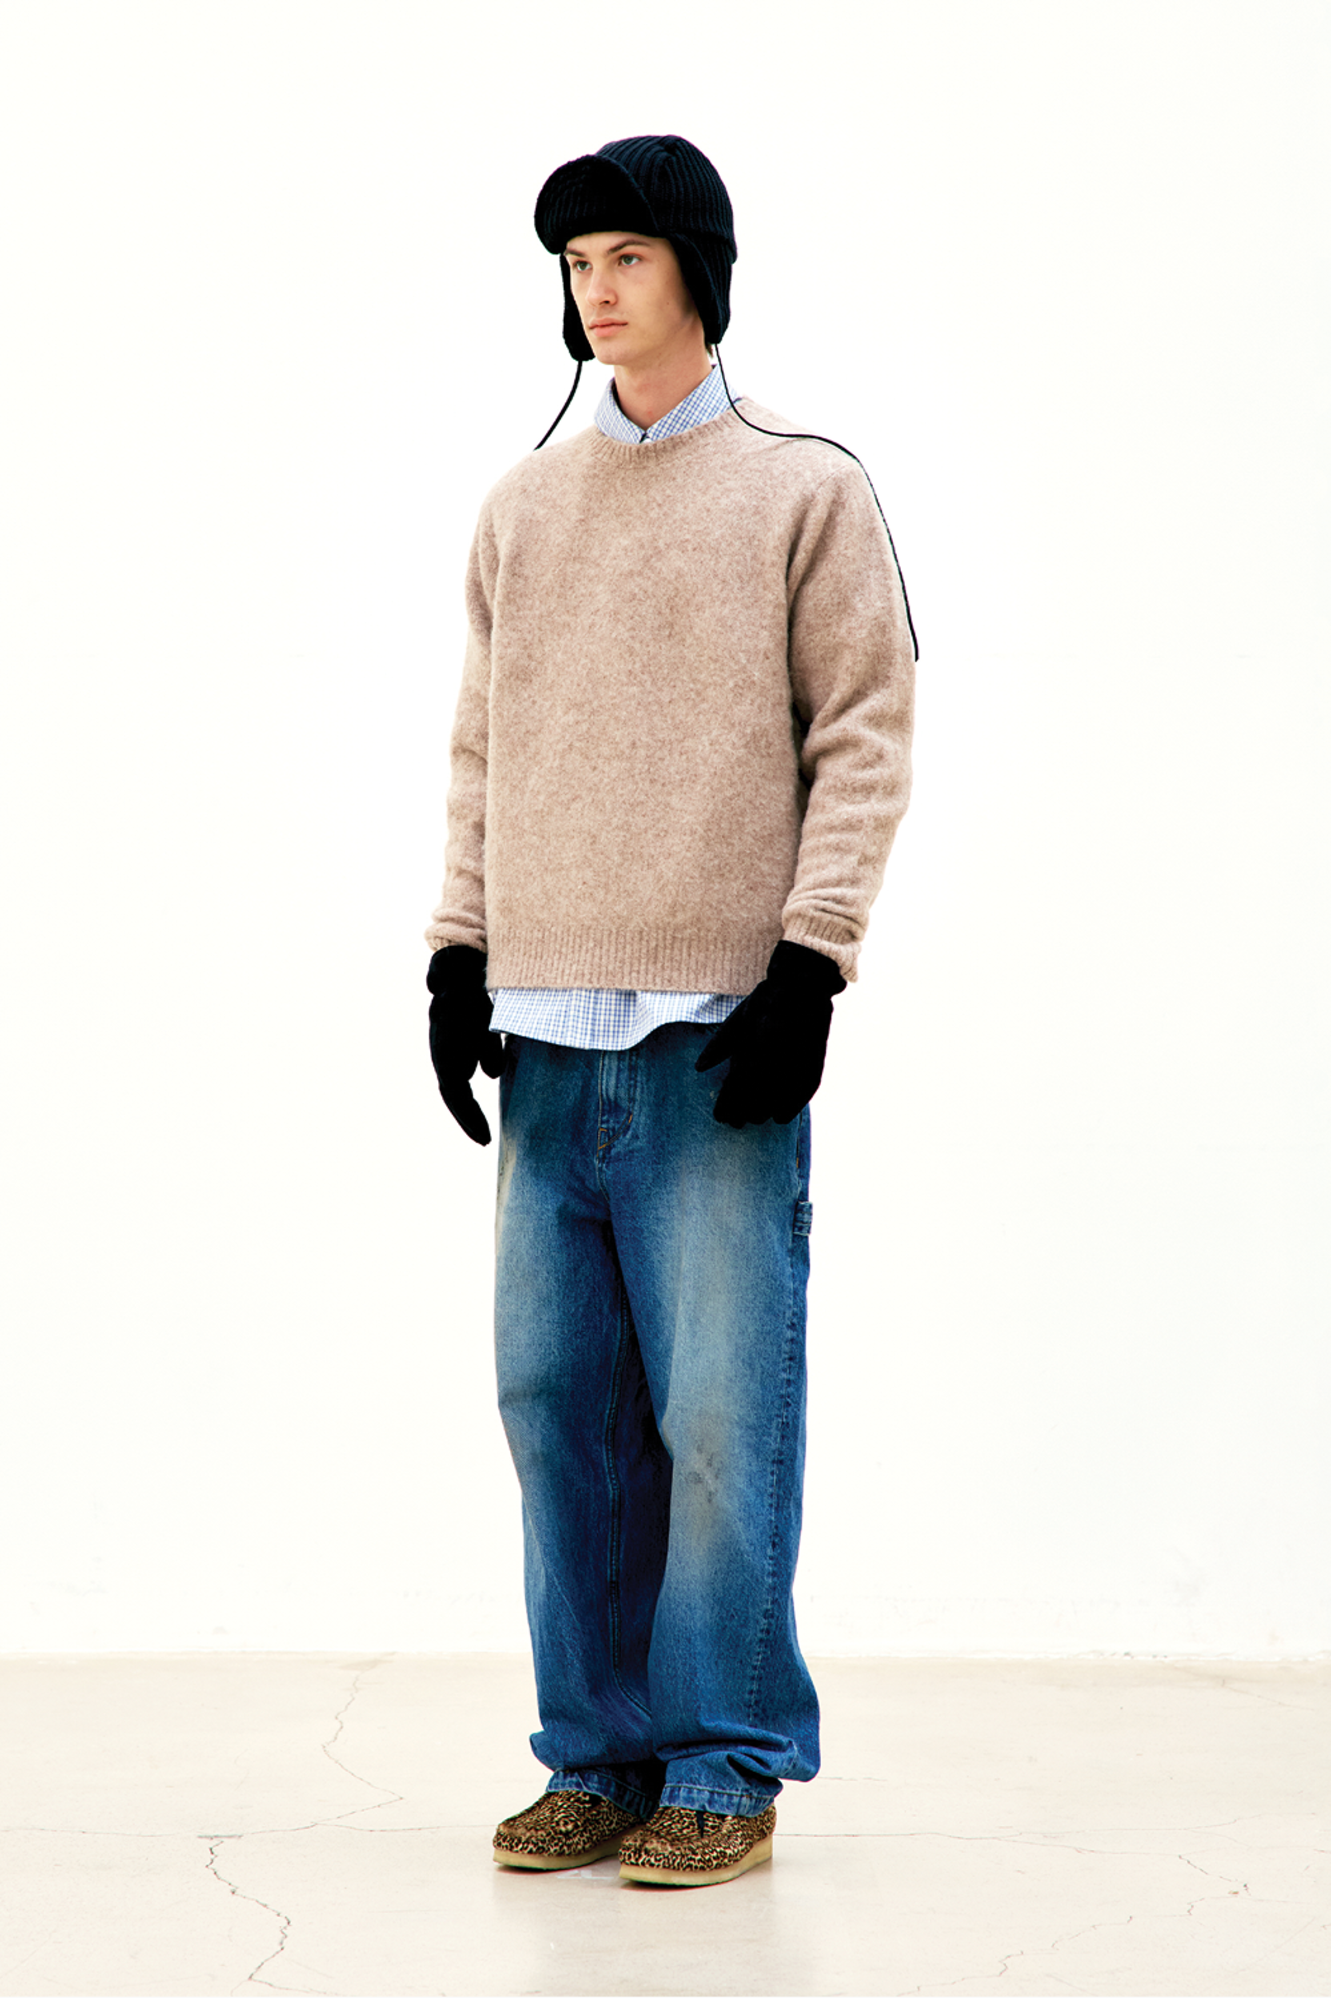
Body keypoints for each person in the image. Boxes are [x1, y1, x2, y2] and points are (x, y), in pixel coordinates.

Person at [425, 134, 915, 1889]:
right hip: (549, 1037)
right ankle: (600, 1752)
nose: (597, 290)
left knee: (719, 1416)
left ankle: (723, 1758)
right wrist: (455, 953)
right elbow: (481, 748)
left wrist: (811, 960)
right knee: (555, 1407)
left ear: (698, 269)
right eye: (576, 264)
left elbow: (864, 729)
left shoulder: (802, 488)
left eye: (626, 256)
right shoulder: (521, 507)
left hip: (717, 1038)